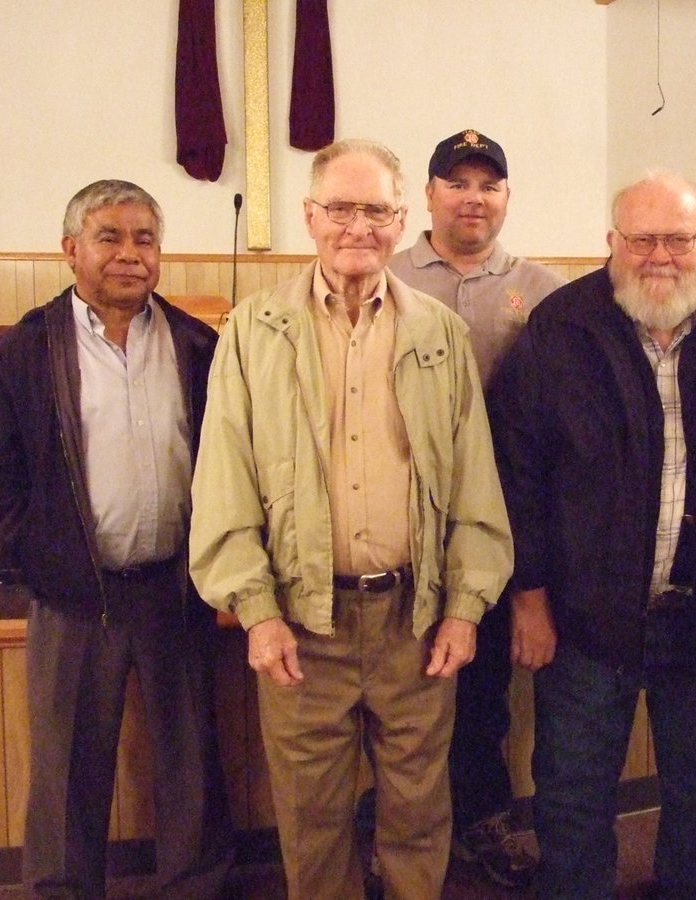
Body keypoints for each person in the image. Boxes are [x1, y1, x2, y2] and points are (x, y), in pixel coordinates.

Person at [188, 138, 514, 900]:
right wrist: (256, 610)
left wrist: (466, 608)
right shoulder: (254, 331)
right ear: (311, 216)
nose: (356, 226)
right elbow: (225, 480)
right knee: (312, 819)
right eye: (340, 208)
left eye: (374, 210)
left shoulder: (439, 333)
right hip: (305, 622)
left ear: (401, 220)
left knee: (417, 812)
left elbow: (474, 483)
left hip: (414, 619)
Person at [488, 170, 696, 899]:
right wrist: (529, 597)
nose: (660, 255)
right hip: (584, 621)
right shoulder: (559, 329)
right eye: (642, 239)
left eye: (678, 237)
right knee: (571, 802)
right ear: (611, 243)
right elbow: (518, 471)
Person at [0, 179, 234, 899]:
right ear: (70, 248)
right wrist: (39, 557)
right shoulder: (23, 352)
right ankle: (62, 890)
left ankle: (194, 886)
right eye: (109, 237)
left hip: (175, 587)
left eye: (145, 239)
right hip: (76, 595)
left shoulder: (197, 346)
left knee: (190, 762)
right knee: (68, 767)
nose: (129, 254)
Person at [382, 128, 565, 889]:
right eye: (457, 182)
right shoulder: (385, 275)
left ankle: (482, 826)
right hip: (400, 522)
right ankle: (396, 840)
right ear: (428, 195)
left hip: (498, 521)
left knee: (483, 691)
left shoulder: (543, 288)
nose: (472, 197)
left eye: (488, 184)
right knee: (399, 697)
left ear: (506, 198)